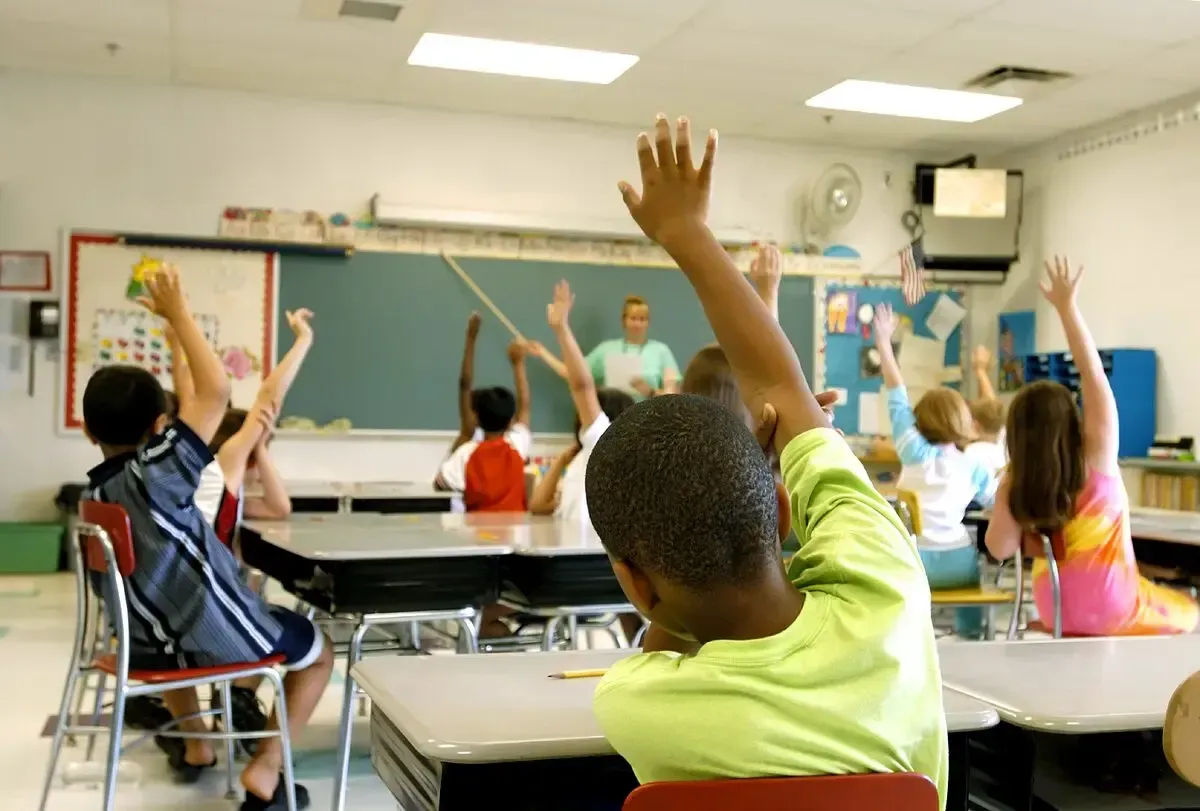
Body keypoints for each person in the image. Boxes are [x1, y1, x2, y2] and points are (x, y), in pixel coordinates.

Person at [587, 113, 946, 805]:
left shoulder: (637, 705)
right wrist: (690, 235)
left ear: (636, 584)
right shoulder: (887, 583)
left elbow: (658, 645)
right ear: (780, 508)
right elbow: (782, 387)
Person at [80, 263, 332, 810]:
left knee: (174, 616)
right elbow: (219, 392)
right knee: (319, 651)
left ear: (88, 431)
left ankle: (198, 744)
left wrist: (174, 333)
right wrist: (179, 315)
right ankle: (265, 771)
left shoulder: (94, 498)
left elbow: (198, 394)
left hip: (143, 648)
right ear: (159, 427)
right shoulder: (171, 472)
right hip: (215, 639)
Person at [984, 256, 1200, 636]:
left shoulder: (1017, 481)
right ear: (1071, 418)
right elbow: (1093, 373)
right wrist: (1067, 309)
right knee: (1191, 610)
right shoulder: (1097, 454)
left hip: (1055, 612)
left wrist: (1007, 494)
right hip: (1114, 606)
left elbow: (999, 549)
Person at [873, 303, 995, 636]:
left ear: (921, 420)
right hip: (957, 561)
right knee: (972, 584)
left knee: (904, 612)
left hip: (914, 561)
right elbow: (995, 504)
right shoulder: (975, 466)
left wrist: (884, 343)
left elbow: (896, 396)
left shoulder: (913, 451)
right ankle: (972, 640)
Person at [527, 281, 635, 531]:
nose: (582, 417)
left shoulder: (605, 442)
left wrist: (562, 329)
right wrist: (562, 460)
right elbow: (538, 505)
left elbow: (582, 386)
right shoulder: (584, 457)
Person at [434, 313, 532, 512]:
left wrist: (471, 338)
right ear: (510, 422)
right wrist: (518, 363)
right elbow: (525, 406)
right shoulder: (518, 445)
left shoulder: (466, 453)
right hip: (515, 536)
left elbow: (439, 484)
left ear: (475, 416)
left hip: (478, 538)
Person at [530, 294, 679, 399]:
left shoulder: (661, 351)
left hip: (650, 423)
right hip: (614, 422)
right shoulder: (607, 349)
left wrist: (651, 392)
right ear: (624, 321)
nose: (638, 324)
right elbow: (574, 373)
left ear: (648, 322)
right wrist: (543, 353)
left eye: (642, 319)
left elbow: (673, 397)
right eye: (633, 318)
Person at [965, 345, 1007, 477]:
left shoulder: (973, 452)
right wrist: (981, 371)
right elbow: (990, 405)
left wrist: (980, 370)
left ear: (975, 426)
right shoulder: (1003, 442)